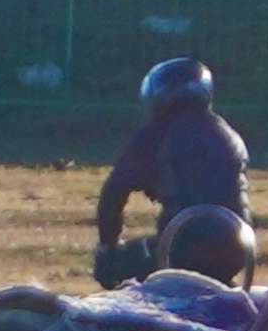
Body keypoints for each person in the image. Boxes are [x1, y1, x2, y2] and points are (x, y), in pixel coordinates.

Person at [92, 56, 259, 286]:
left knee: (110, 266)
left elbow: (114, 193)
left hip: (182, 248)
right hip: (239, 247)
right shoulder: (229, 133)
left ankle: (142, 318)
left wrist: (108, 245)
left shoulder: (156, 135)